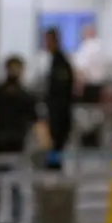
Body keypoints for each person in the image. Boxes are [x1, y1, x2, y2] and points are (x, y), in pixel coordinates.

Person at [0, 56, 50, 223]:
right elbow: (38, 124)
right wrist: (45, 145)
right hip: (16, 148)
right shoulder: (26, 95)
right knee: (16, 187)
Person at [40, 28, 74, 169]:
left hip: (59, 112)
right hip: (55, 110)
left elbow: (61, 89)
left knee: (56, 142)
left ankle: (54, 169)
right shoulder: (54, 59)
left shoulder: (60, 61)